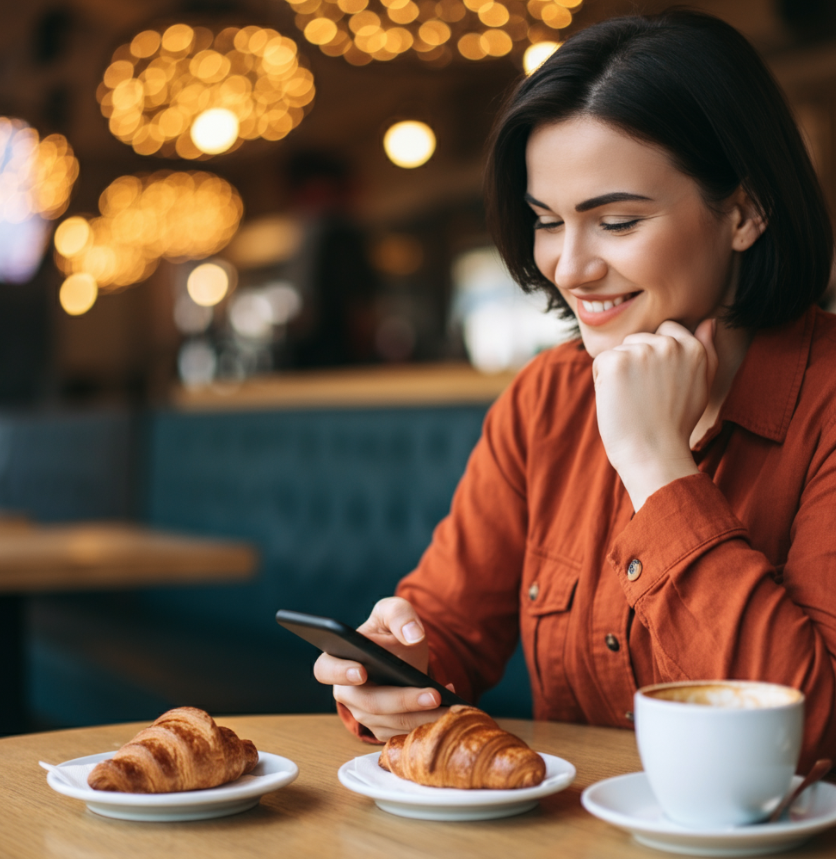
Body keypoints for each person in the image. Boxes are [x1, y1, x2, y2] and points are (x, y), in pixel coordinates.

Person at [313, 10, 836, 768]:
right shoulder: (548, 398)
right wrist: (396, 669)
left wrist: (657, 465)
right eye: (546, 222)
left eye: (616, 221)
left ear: (745, 211)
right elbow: (447, 628)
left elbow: (809, 731)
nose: (568, 266)